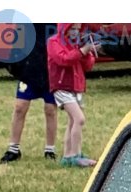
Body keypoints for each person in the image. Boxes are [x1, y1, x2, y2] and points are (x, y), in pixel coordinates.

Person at [1, 22, 58, 163]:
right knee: (20, 107)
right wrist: (16, 66)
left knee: (50, 109)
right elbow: (16, 44)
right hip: (28, 70)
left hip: (50, 71)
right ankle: (13, 149)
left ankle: (50, 149)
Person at [46, 21, 97, 168]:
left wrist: (87, 53)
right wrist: (81, 51)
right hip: (62, 86)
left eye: (78, 28)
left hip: (76, 86)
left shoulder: (77, 43)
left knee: (72, 121)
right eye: (72, 28)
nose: (76, 31)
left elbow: (88, 66)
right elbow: (63, 59)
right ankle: (75, 155)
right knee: (79, 119)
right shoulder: (54, 42)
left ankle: (68, 156)